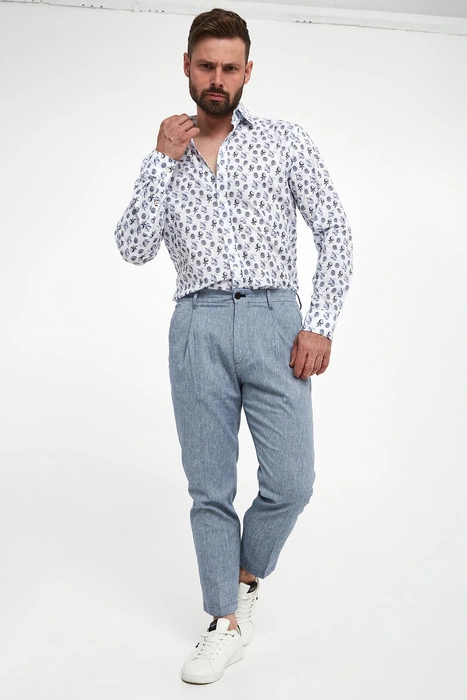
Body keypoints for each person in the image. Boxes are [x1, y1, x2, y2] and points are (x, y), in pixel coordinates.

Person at [114, 7, 352, 685]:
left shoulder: (283, 140)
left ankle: (245, 576)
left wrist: (320, 322)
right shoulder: (165, 157)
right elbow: (132, 248)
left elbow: (334, 229)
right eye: (205, 66)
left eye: (228, 67)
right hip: (197, 323)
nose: (216, 78)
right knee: (210, 487)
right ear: (187, 68)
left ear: (247, 71)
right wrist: (160, 162)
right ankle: (222, 623)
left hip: (277, 320)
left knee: (292, 482)